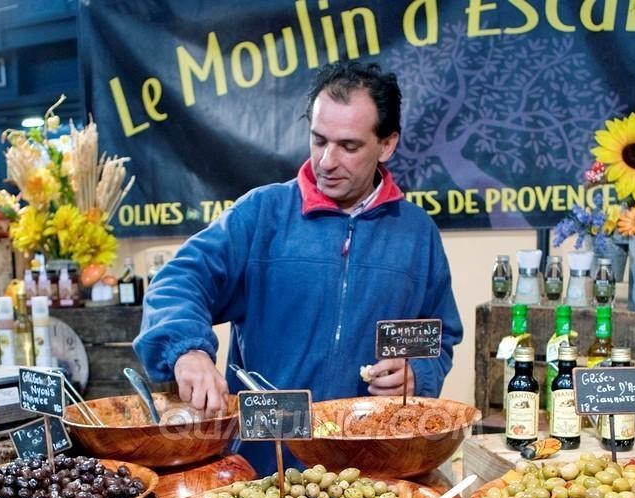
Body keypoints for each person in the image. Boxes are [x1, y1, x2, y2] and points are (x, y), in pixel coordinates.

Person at [134, 61, 462, 473]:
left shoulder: (417, 235)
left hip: (372, 473)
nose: (327, 161)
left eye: (349, 146)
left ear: (387, 144)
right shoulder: (261, 214)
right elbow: (178, 281)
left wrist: (420, 375)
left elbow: (440, 336)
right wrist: (187, 351)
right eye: (318, 139)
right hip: (263, 468)